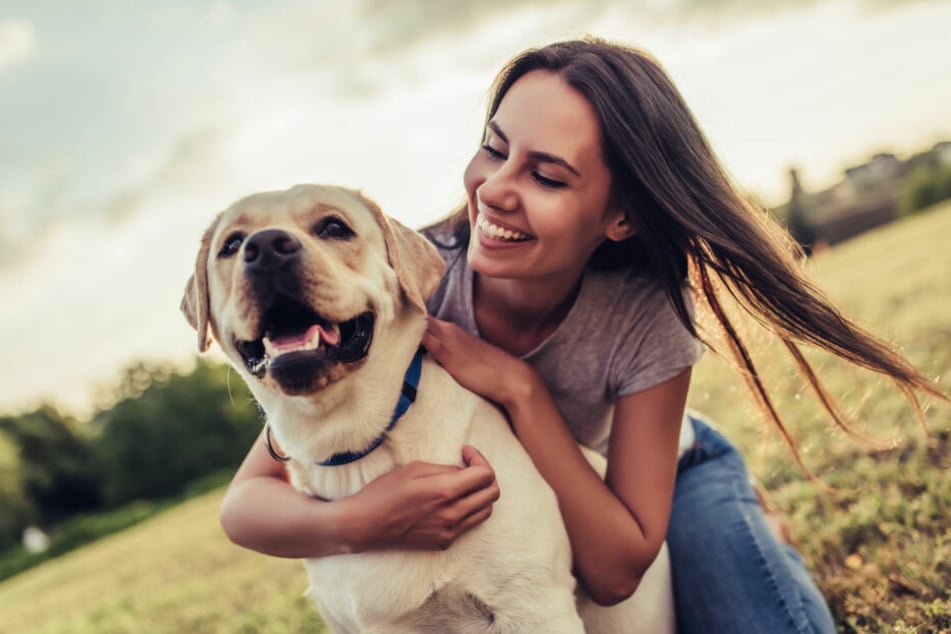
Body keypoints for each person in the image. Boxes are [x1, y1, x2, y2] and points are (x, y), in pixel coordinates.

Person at [219, 38, 943, 632]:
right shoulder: (407, 286)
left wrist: (520, 389)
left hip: (663, 482)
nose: (496, 189)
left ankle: (752, 527)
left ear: (619, 216)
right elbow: (246, 501)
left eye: (547, 176)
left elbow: (614, 568)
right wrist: (356, 520)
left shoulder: (643, 315)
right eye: (493, 148)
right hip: (550, 512)